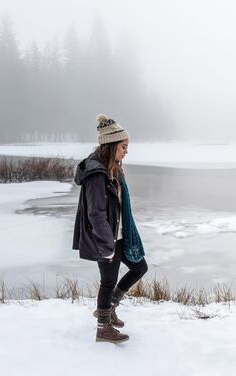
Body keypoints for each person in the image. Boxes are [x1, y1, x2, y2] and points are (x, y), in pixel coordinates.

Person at [72, 114, 148, 344]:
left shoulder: (113, 169)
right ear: (112, 145)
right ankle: (103, 328)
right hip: (105, 239)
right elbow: (95, 213)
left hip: (119, 235)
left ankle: (109, 308)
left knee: (139, 267)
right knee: (108, 281)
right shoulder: (97, 174)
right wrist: (106, 245)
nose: (126, 151)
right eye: (124, 146)